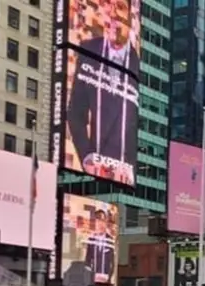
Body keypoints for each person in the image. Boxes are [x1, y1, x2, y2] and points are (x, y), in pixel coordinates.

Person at [68, 2, 139, 185]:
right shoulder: (88, 50)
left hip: (125, 171)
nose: (113, 17)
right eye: (110, 10)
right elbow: (76, 113)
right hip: (95, 164)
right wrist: (86, 157)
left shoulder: (139, 65)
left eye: (120, 10)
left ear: (133, 21)